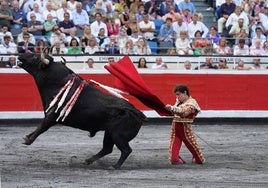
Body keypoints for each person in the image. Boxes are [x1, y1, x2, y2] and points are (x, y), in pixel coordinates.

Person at [165, 84, 205, 164]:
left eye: (178, 94)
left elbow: (184, 113)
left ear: (185, 93)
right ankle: (178, 159)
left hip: (186, 132)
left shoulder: (192, 103)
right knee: (174, 160)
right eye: (176, 95)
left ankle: (195, 156)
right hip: (175, 131)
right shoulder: (178, 102)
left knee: (200, 160)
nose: (177, 97)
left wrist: (172, 108)